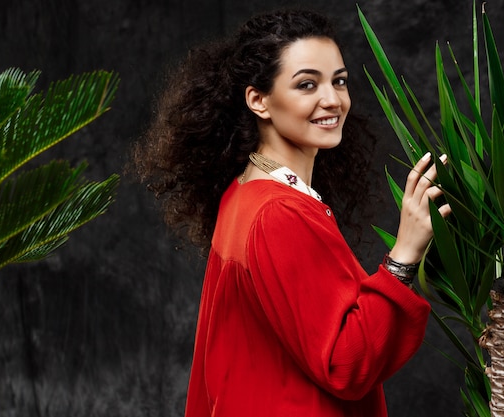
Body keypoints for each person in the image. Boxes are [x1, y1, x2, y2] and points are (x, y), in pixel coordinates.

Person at [133, 8, 451, 417]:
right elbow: (346, 363)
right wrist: (404, 254)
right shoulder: (278, 214)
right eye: (307, 85)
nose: (332, 100)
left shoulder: (248, 191)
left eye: (339, 81)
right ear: (258, 100)